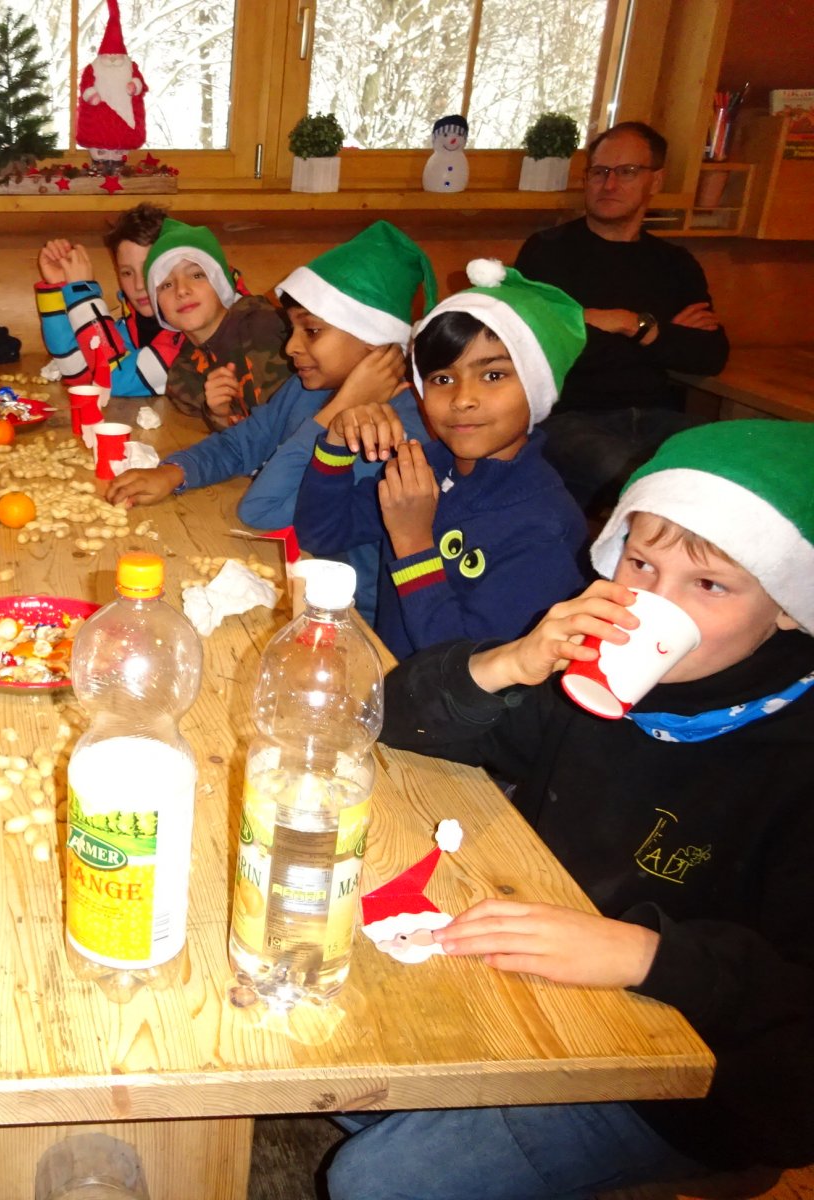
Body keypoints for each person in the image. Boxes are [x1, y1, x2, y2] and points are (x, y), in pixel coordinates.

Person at [328, 419, 814, 1197]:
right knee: (330, 1043)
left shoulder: (790, 758)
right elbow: (397, 719)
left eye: (710, 585)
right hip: (535, 962)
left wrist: (646, 955)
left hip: (697, 1074)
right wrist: (509, 661)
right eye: (641, 563)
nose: (651, 606)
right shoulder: (603, 668)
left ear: (789, 605)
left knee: (376, 1178)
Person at [106, 220, 436, 623]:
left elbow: (261, 509)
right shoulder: (308, 387)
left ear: (374, 342)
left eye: (311, 331)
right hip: (298, 579)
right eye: (293, 329)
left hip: (354, 618)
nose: (291, 346)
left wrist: (335, 413)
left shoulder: (391, 435)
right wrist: (174, 473)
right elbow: (241, 443)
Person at [294, 260, 588, 658]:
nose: (462, 399)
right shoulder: (424, 466)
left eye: (493, 375)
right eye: (442, 379)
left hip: (442, 697)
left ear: (536, 387)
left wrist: (413, 543)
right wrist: (336, 444)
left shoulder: (544, 528)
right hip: (389, 673)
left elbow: (468, 669)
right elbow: (322, 535)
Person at [515, 121, 729, 512]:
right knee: (642, 479)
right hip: (570, 417)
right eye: (600, 172)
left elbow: (709, 355)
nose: (609, 184)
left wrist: (629, 324)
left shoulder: (675, 264)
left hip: (659, 417)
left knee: (736, 460)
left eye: (627, 171)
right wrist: (662, 337)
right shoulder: (548, 252)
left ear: (655, 181)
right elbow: (545, 347)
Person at [144, 218, 291, 430]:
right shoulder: (182, 376)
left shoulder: (268, 326)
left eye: (197, 275)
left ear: (221, 283)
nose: (181, 290)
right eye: (166, 285)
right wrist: (220, 416)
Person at [35, 203, 184, 396]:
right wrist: (59, 288)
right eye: (127, 272)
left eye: (148, 268)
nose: (139, 285)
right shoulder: (133, 323)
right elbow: (77, 370)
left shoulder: (189, 329)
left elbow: (112, 380)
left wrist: (82, 292)